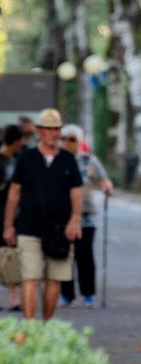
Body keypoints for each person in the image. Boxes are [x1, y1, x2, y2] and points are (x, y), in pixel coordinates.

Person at [2, 108, 82, 321]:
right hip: (29, 227)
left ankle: (46, 326)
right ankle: (31, 327)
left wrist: (75, 219)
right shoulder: (26, 158)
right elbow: (14, 193)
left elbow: (76, 193)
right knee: (30, 278)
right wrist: (8, 225)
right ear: (39, 130)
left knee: (54, 279)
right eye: (48, 129)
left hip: (60, 230)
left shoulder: (68, 160)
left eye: (56, 129)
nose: (53, 133)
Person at [57, 124, 113, 309]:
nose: (67, 143)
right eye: (63, 139)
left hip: (86, 217)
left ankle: (89, 294)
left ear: (79, 142)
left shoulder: (89, 161)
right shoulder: (56, 161)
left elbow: (103, 180)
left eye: (71, 139)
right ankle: (67, 295)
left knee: (84, 255)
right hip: (62, 217)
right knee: (64, 256)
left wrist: (106, 188)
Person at [0, 124, 25, 310]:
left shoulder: (17, 160)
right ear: (16, 141)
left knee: (13, 254)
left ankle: (14, 298)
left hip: (13, 214)